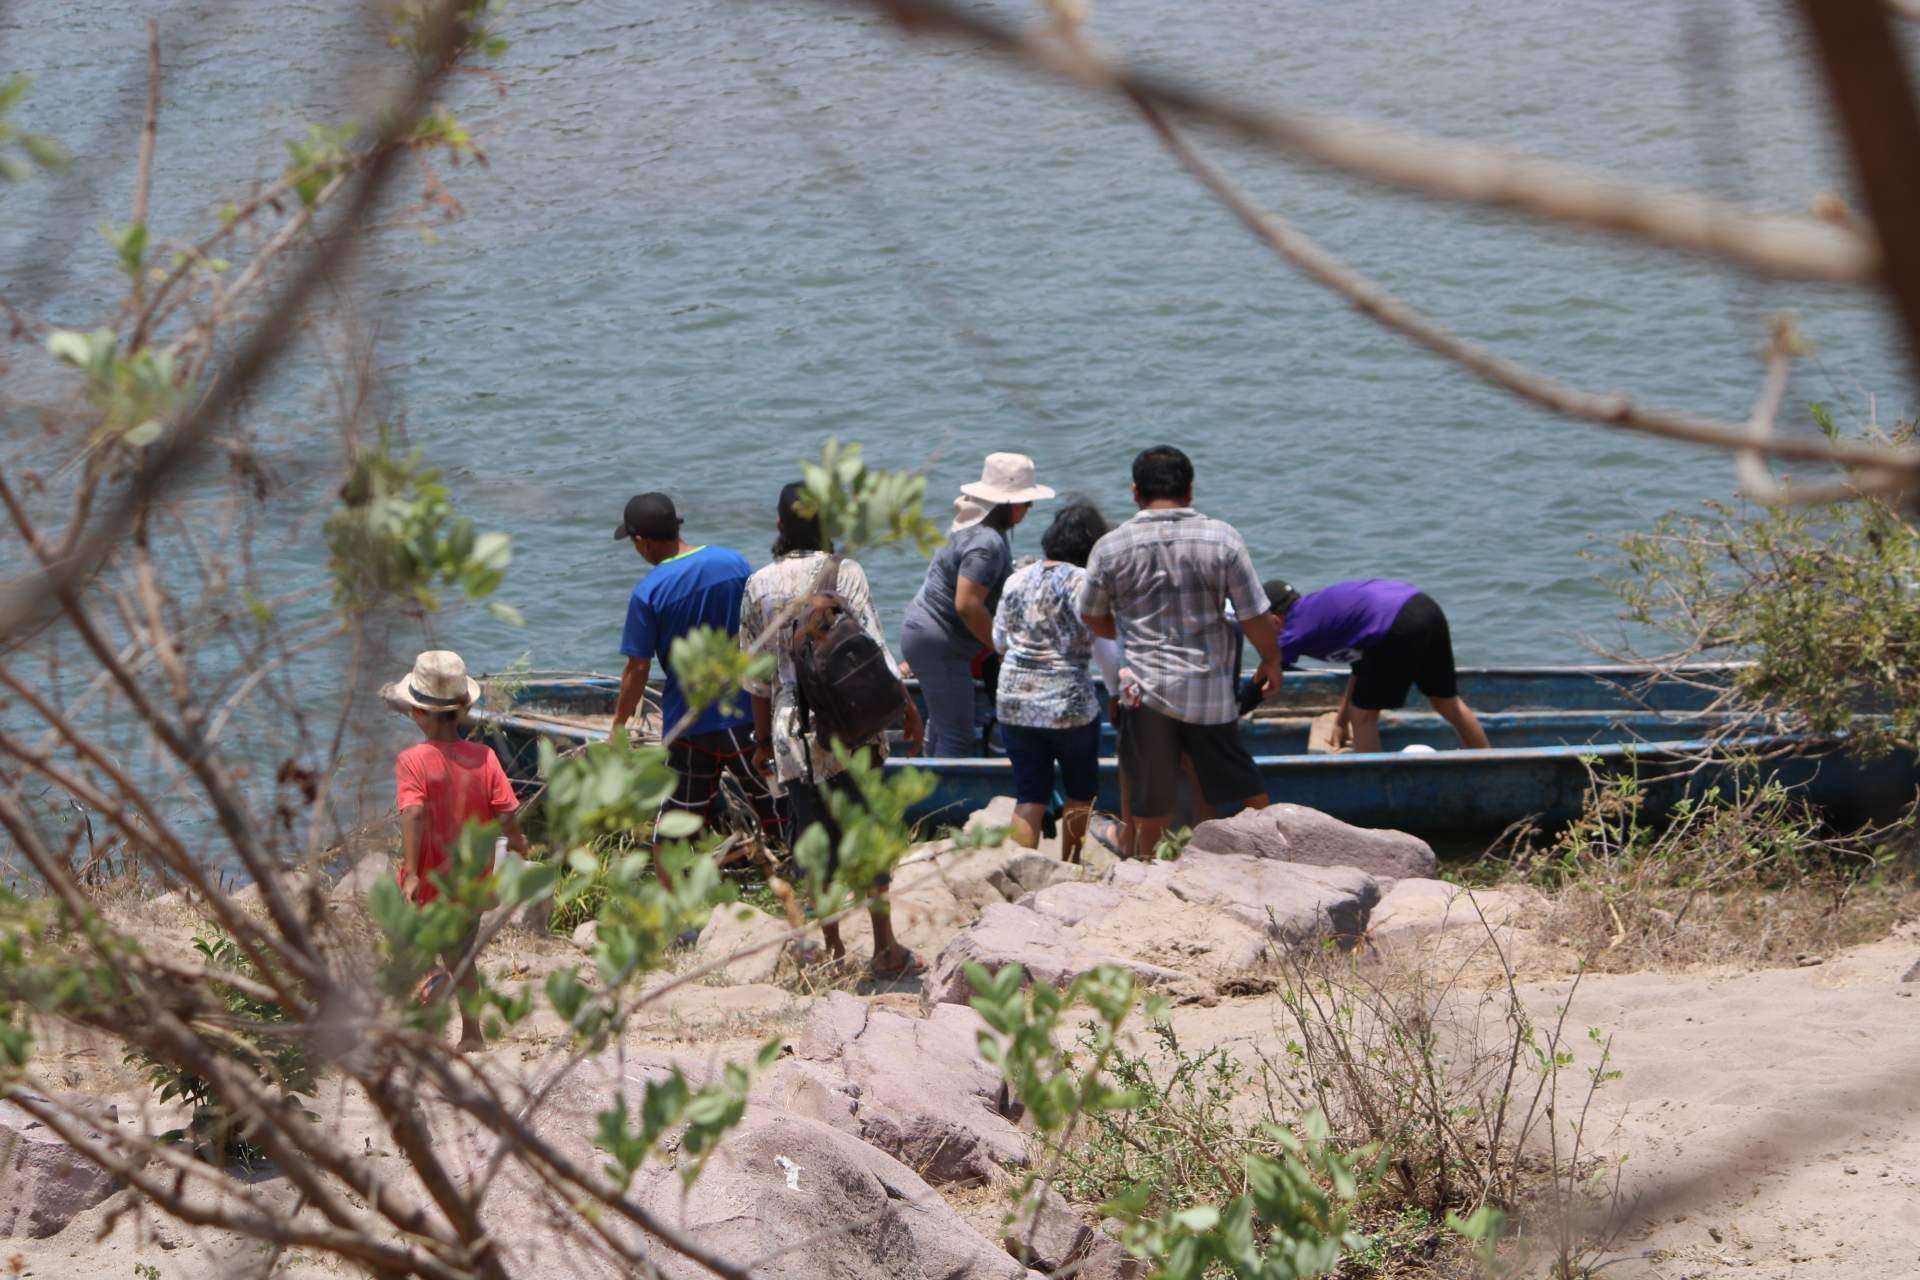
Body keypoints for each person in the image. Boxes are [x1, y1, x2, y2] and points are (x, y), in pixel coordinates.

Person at [739, 482, 924, 975]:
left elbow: (756, 678)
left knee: (814, 843)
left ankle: (834, 952)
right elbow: (874, 650)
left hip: (793, 735)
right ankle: (884, 948)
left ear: (780, 525)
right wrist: (907, 709)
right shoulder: (846, 572)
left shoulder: (758, 585)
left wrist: (761, 742)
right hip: (852, 725)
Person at [1077, 445, 1283, 858]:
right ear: (1189, 489)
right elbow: (1254, 615)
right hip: (1209, 691)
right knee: (1244, 785)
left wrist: (1128, 629)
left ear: (1136, 492)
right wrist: (1271, 660)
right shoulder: (1222, 538)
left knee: (1150, 799)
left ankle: (1146, 871)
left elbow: (1092, 616)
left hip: (1145, 693)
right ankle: (1280, 856)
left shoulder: (1110, 547)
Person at [610, 492, 779, 871]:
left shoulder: (648, 593)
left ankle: (675, 903)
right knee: (777, 806)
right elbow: (761, 630)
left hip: (690, 724)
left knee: (675, 829)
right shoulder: (734, 564)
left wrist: (618, 727)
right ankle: (804, 884)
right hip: (747, 714)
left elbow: (636, 669)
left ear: (643, 542)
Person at [384, 649, 529, 1052]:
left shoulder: (412, 761)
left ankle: (429, 996)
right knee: (463, 956)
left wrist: (412, 873)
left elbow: (413, 813)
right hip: (470, 885)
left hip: (429, 882)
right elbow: (507, 812)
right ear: (465, 709)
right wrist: (518, 843)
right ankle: (471, 1034)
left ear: (416, 712)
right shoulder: (485, 757)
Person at [899, 453, 1054, 757]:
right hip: (941, 643)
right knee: (957, 737)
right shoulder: (987, 542)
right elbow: (968, 605)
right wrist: (1002, 647)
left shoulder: (972, 525)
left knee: (940, 728)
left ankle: (930, 782)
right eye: (1026, 501)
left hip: (924, 634)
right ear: (1007, 502)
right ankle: (948, 789)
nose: (1030, 508)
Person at [991, 501, 1108, 862]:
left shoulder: (1016, 579)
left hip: (1014, 701)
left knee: (1030, 795)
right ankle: (1071, 865)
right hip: (1068, 704)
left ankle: (1019, 871)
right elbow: (1105, 640)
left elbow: (998, 641)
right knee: (1080, 791)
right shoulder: (1084, 582)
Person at [1264, 578, 1490, 752]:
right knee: (1447, 702)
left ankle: (1371, 779)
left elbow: (1264, 680)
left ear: (1275, 618)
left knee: (1362, 717)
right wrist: (1341, 722)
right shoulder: (1319, 609)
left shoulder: (1292, 634)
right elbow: (1361, 667)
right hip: (1423, 607)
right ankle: (1487, 765)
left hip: (1395, 625)